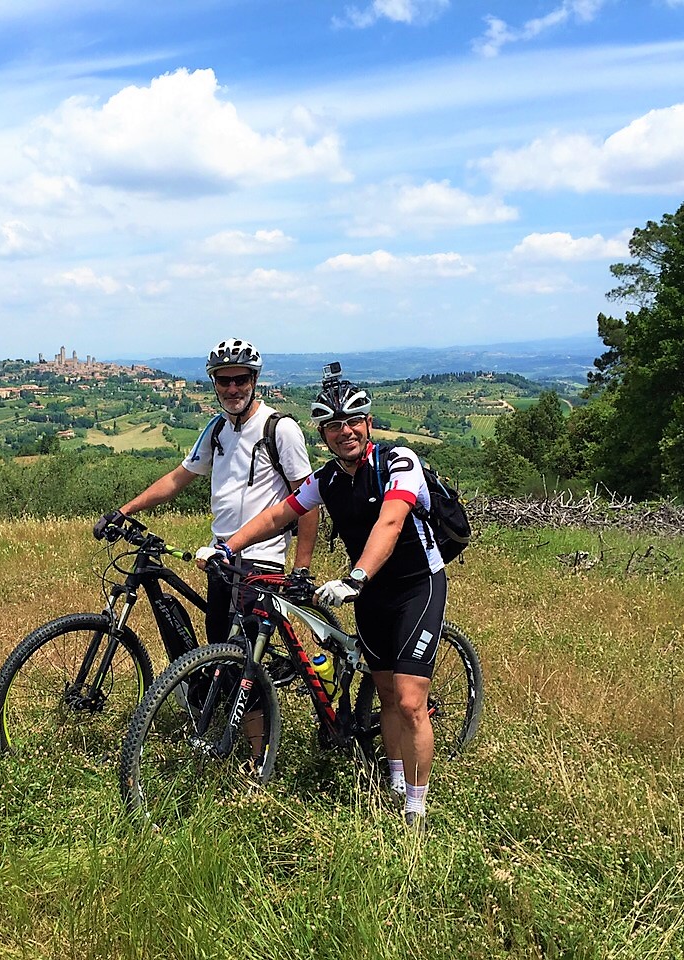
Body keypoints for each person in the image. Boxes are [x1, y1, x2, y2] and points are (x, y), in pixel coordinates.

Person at [203, 365, 447, 831]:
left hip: (418, 587)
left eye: (353, 421)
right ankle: (396, 781)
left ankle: (416, 811)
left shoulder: (398, 461)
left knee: (412, 701)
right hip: (372, 594)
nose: (345, 432)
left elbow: (390, 523)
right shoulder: (329, 479)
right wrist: (226, 547)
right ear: (324, 434)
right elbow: (279, 515)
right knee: (389, 697)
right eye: (334, 426)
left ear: (368, 424)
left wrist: (354, 577)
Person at [94, 338, 317, 645]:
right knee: (217, 646)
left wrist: (301, 568)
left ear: (254, 380)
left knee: (242, 657)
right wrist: (124, 511)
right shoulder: (216, 429)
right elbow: (177, 479)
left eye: (240, 379)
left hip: (261, 558)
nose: (233, 389)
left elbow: (308, 499)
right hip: (221, 555)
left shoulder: (279, 428)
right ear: (214, 383)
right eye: (224, 380)